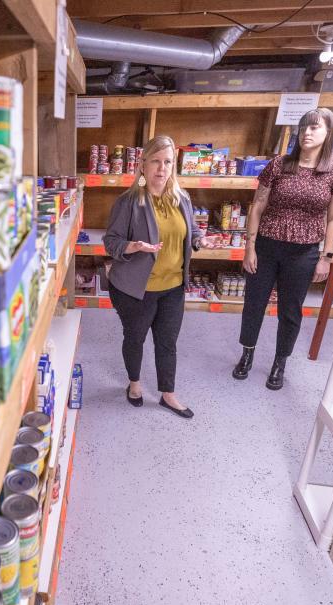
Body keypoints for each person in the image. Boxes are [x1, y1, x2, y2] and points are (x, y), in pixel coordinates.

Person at [232, 107, 333, 390]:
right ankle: (247, 353)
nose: (308, 133)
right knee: (254, 303)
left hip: (303, 252)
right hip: (266, 246)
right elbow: (258, 205)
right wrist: (249, 247)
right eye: (305, 127)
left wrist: (326, 257)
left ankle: (280, 361)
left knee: (290, 310)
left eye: (315, 127)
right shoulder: (279, 165)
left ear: (328, 133)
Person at [102, 135, 212, 418]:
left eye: (167, 162)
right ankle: (135, 385)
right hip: (136, 290)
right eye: (155, 162)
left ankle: (168, 394)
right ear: (143, 165)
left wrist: (201, 241)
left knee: (167, 342)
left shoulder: (182, 198)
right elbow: (111, 242)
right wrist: (133, 246)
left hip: (173, 286)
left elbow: (192, 232)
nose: (162, 169)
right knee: (135, 338)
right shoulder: (129, 202)